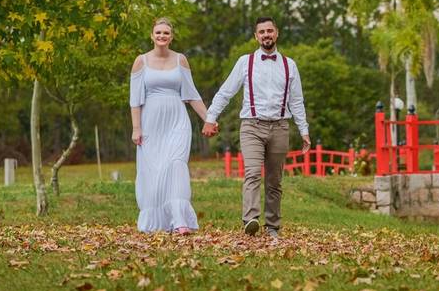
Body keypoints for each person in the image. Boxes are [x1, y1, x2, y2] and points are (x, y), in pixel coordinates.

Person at [203, 17, 311, 239]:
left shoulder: (289, 65)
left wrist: (304, 131)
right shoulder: (245, 62)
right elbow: (226, 92)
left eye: (269, 30)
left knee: (274, 180)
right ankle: (250, 219)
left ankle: (272, 226)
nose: (266, 35)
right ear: (256, 36)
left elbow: (297, 101)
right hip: (252, 126)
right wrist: (210, 117)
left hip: (280, 127)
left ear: (277, 33)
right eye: (261, 32)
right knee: (252, 173)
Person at [130, 18, 210, 234]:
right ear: (152, 36)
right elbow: (135, 99)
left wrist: (209, 118)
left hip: (177, 120)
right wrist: (136, 128)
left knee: (176, 164)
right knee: (155, 170)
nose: (162, 36)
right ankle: (157, 220)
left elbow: (191, 94)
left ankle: (180, 219)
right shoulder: (141, 61)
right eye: (158, 32)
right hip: (151, 122)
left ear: (171, 37)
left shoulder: (180, 60)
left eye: (166, 33)